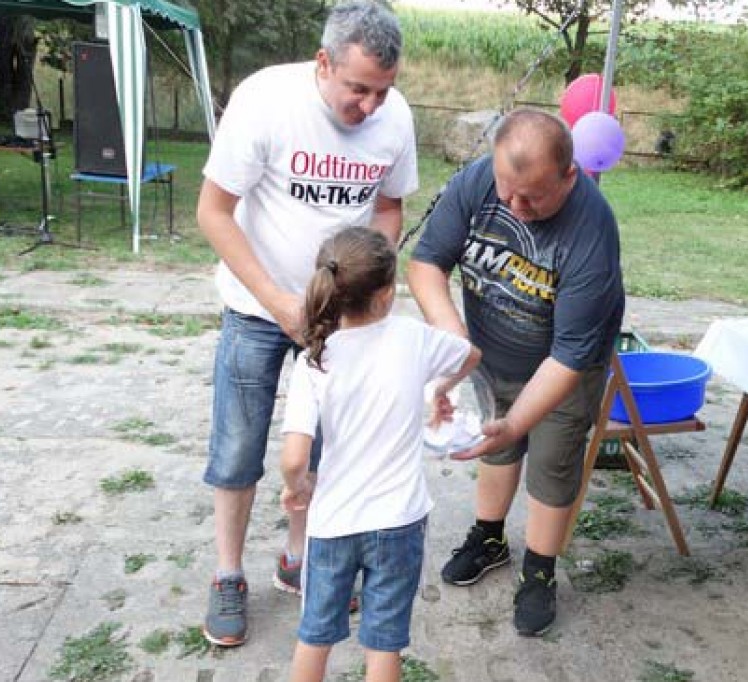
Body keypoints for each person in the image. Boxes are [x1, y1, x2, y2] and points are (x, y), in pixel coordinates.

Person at [196, 1, 418, 647]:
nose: (371, 106)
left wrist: (367, 290)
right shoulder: (265, 100)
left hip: (339, 319)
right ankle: (228, 572)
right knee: (238, 446)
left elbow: (387, 210)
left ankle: (299, 559)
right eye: (357, 89)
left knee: (325, 445)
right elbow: (214, 213)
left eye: (383, 90)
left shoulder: (393, 117)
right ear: (324, 64)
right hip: (255, 309)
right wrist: (278, 302)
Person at [406, 108, 625, 636]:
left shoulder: (592, 231)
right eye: (508, 192)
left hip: (565, 368)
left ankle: (541, 571)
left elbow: (569, 356)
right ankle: (489, 538)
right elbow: (426, 264)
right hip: (490, 350)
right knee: (495, 444)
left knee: (550, 459)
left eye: (534, 197)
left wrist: (520, 418)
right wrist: (457, 346)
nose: (517, 207)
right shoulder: (477, 181)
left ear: (569, 176)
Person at [281, 227, 481, 682]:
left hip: (333, 521)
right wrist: (440, 389)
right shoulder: (412, 338)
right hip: (399, 519)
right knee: (383, 643)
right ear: (388, 294)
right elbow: (469, 354)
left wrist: (298, 488)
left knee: (315, 634)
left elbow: (295, 458)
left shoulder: (314, 358)